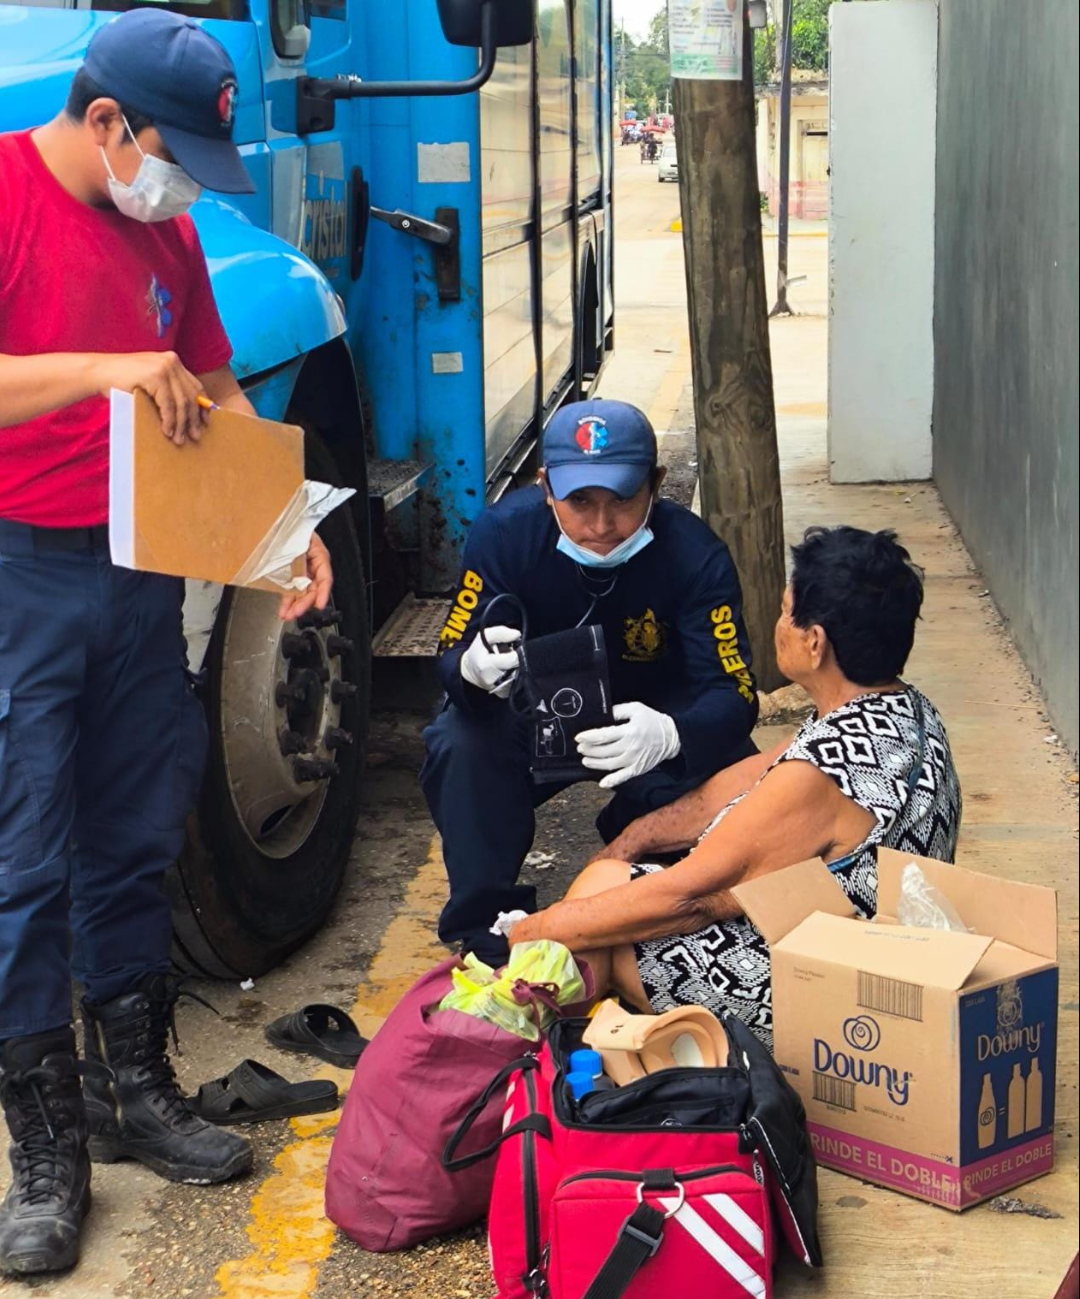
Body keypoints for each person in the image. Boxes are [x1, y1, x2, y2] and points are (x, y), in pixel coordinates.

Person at [0, 11, 332, 1277]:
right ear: (104, 124)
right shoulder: (4, 192)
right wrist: (103, 369)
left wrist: (282, 527)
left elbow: (217, 380)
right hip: (21, 571)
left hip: (137, 571)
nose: (179, 183)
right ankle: (46, 1150)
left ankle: (137, 1089)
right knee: (25, 859)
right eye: (170, 154)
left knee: (136, 827)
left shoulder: (167, 230)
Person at [506, 526, 962, 1049]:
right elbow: (739, 782)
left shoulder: (818, 775)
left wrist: (533, 928)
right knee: (607, 883)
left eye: (787, 611)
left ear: (814, 644)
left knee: (595, 917)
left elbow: (691, 899)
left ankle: (529, 1068)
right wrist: (633, 838)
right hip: (879, 955)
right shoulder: (899, 712)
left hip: (841, 1004)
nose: (778, 625)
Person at [422, 399, 759, 967]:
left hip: (647, 720)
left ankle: (645, 883)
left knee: (737, 787)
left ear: (656, 484)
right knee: (459, 741)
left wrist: (674, 733)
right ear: (545, 485)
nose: (601, 526)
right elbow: (451, 652)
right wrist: (472, 671)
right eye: (580, 502)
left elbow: (736, 691)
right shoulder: (503, 535)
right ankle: (487, 927)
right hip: (533, 718)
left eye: (622, 501)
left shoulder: (695, 555)